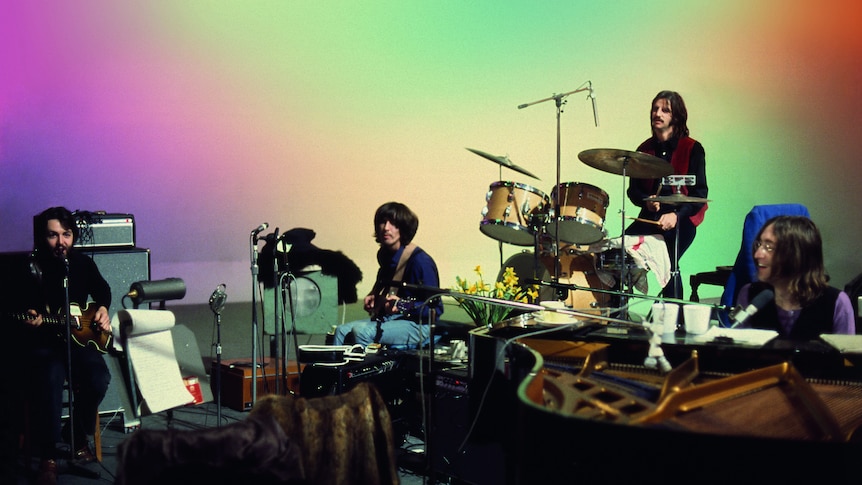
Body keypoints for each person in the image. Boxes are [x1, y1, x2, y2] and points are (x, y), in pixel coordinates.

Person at [20, 207, 113, 484]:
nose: (61, 242)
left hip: (78, 342)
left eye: (66, 234)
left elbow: (103, 291)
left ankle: (74, 434)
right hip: (45, 343)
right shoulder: (30, 268)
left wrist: (104, 309)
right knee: (49, 379)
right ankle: (48, 455)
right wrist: (31, 316)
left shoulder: (82, 263)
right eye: (53, 235)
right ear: (42, 237)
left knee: (99, 378)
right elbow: (18, 303)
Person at [625, 90, 708, 299]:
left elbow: (700, 194)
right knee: (621, 251)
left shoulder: (693, 148)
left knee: (668, 259)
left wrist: (676, 216)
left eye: (665, 110)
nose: (658, 114)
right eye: (655, 109)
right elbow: (633, 191)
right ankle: (618, 310)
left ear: (676, 116)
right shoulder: (643, 150)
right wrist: (647, 201)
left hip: (682, 218)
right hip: (650, 216)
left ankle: (675, 318)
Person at [333, 202, 443, 348]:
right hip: (392, 319)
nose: (386, 228)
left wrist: (403, 305)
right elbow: (387, 285)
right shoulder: (385, 255)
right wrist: (375, 295)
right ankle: (334, 370)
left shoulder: (420, 262)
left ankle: (365, 370)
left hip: (420, 325)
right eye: (383, 222)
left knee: (362, 332)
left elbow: (435, 310)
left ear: (403, 228)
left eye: (393, 223)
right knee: (340, 331)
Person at [734, 215, 855, 338]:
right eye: (759, 244)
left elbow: (846, 356)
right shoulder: (750, 294)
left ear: (797, 255)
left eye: (769, 247)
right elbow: (736, 352)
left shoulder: (836, 302)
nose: (758, 254)